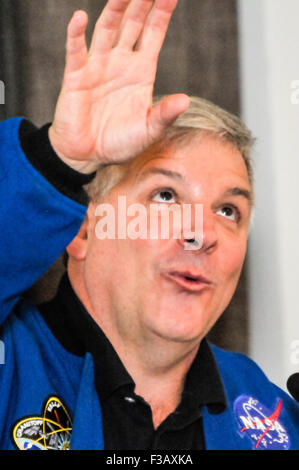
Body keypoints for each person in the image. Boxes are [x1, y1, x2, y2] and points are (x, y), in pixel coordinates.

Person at [0, 0, 299, 451]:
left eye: (228, 210)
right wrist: (58, 160)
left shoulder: (273, 416)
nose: (202, 234)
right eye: (165, 196)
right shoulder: (14, 366)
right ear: (82, 229)